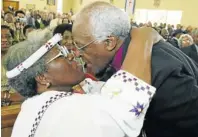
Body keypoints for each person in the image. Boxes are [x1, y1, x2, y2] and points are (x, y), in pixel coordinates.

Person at [72, 2, 198, 137]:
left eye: (81, 47)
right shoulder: (127, 54)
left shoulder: (162, 73)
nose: (77, 54)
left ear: (109, 42)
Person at [4, 28, 157, 137]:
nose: (71, 55)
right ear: (42, 78)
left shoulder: (35, 105)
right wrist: (143, 38)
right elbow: (127, 105)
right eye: (61, 55)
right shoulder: (64, 109)